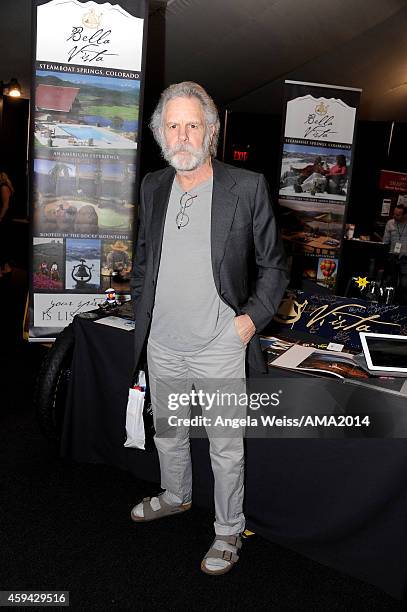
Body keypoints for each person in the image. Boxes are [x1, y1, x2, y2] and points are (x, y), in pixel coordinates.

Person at [130, 82, 289, 575]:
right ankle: (176, 495)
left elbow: (276, 266)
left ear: (212, 131)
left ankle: (227, 532)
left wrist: (250, 320)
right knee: (168, 432)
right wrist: (144, 312)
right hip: (162, 342)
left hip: (220, 345)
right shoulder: (153, 186)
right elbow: (143, 261)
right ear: (160, 133)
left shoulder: (246, 186)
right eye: (172, 126)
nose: (182, 135)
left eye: (192, 125)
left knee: (225, 448)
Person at [383, 204, 407, 305]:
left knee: (404, 284)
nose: (395, 216)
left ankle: (402, 305)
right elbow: (385, 241)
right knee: (391, 282)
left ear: (405, 215)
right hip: (392, 256)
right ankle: (389, 304)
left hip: (406, 258)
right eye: (394, 214)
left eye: (398, 215)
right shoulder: (390, 223)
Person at [0, 172, 14, 277]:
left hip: (4, 219)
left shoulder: (4, 187)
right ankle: (6, 267)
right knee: (4, 243)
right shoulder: (7, 187)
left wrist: (0, 217)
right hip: (7, 219)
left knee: (3, 244)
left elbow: (6, 205)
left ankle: (4, 269)